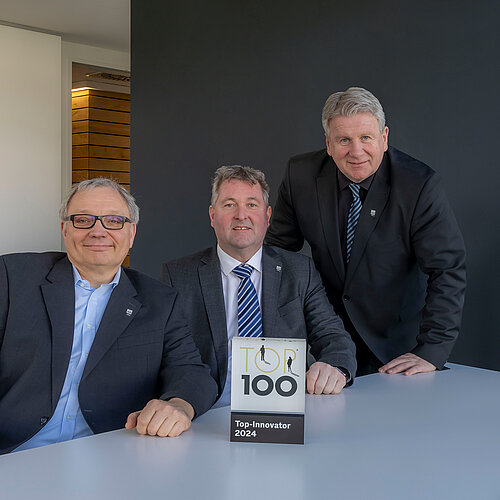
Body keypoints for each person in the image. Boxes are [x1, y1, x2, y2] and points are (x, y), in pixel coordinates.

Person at [0, 178, 217, 455]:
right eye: (83, 220)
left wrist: (179, 406)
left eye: (114, 221)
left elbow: (192, 372)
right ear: (65, 229)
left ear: (131, 233)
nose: (98, 231)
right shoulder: (12, 277)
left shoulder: (159, 301)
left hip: (109, 455)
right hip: (14, 455)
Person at [266, 87, 466, 376]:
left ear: (384, 138)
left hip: (397, 348)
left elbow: (447, 269)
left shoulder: (418, 186)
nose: (356, 151)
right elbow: (277, 254)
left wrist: (431, 351)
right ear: (328, 143)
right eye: (344, 140)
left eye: (366, 138)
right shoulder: (301, 175)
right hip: (326, 344)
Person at [161, 166, 356, 407]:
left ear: (267, 216)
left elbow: (332, 334)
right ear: (212, 216)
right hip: (209, 411)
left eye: (252, 204)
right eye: (229, 204)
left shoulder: (299, 271)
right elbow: (171, 357)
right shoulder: (179, 276)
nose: (241, 215)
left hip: (282, 411)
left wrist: (335, 366)